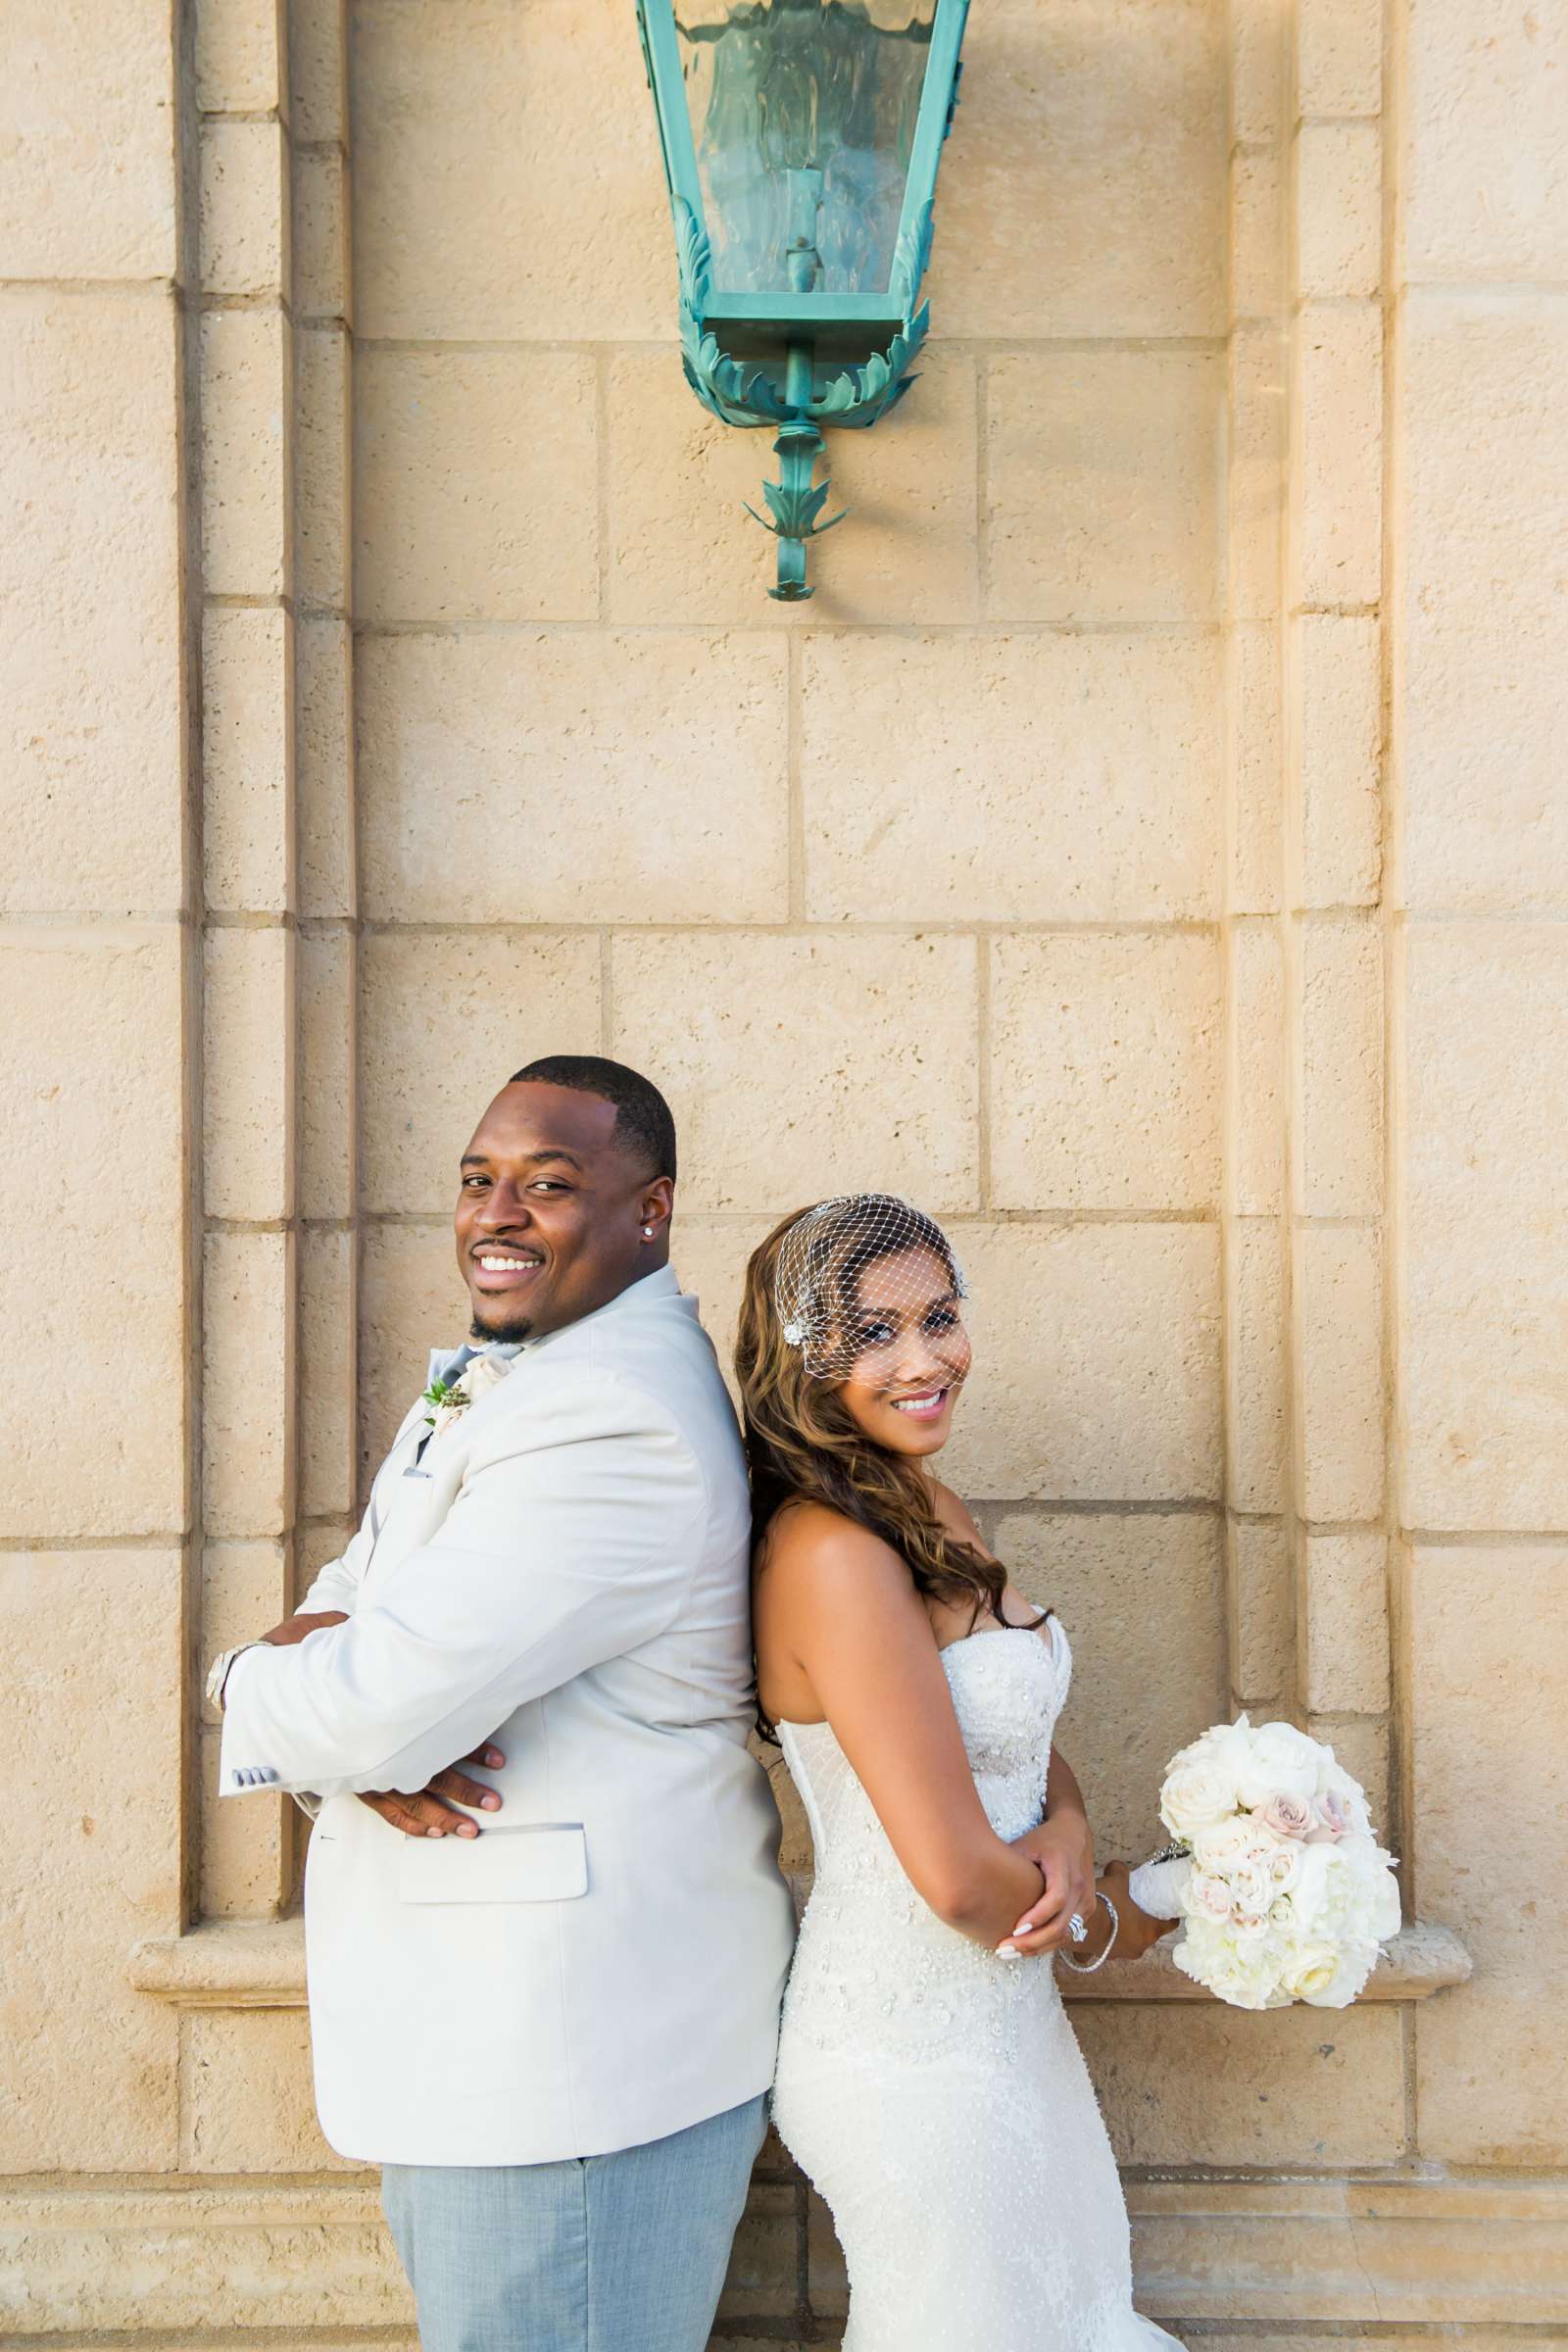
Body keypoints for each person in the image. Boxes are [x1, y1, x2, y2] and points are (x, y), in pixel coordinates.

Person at [209, 1055, 797, 2352]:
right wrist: (354, 1727)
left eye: (549, 1185)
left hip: (567, 2070)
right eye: (479, 1180)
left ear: (651, 1212)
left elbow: (369, 1687)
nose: (495, 1215)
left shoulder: (611, 1416)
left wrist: (252, 1681)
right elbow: (352, 1611)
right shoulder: (514, 1374)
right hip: (490, 2054)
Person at [738, 1194, 1182, 2351]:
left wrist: (1072, 1821)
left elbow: (1014, 1737)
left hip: (1006, 2036)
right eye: (873, 1335)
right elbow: (957, 1881)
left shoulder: (924, 1507)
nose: (925, 1359)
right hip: (916, 2064)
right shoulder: (829, 1554)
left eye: (940, 1317)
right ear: (802, 1357)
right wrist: (1140, 1910)